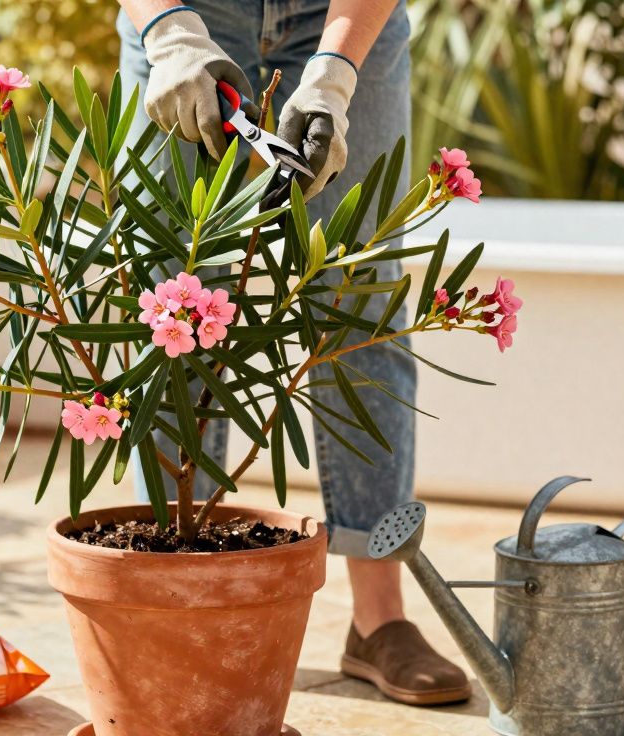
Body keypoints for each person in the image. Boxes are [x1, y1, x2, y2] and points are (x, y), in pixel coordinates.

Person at [117, 0, 471, 706]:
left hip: (338, 18)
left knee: (359, 304)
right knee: (172, 308)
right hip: (188, 13)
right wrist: (171, 33)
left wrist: (336, 73)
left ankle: (380, 620)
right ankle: (168, 600)